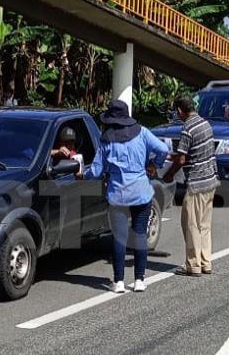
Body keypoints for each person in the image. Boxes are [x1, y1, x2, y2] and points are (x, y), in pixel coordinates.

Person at [83, 100, 169, 294]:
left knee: (119, 238)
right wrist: (155, 164)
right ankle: (139, 279)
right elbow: (163, 149)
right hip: (141, 191)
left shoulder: (106, 139)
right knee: (139, 234)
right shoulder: (142, 132)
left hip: (117, 193)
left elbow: (96, 171)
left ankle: (119, 281)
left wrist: (82, 174)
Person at [162, 96, 219, 277]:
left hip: (196, 184)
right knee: (204, 225)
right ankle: (205, 262)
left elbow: (182, 159)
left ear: (180, 111)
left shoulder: (187, 129)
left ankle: (193, 265)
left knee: (190, 224)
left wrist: (169, 174)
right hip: (210, 181)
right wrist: (169, 156)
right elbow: (189, 153)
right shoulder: (205, 124)